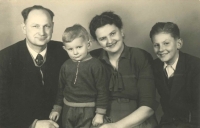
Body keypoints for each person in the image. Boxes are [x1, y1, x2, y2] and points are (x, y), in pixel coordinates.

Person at [0, 5, 69, 128]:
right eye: (35, 26)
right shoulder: (4, 58)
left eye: (46, 26)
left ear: (52, 27)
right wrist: (33, 124)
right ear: (24, 28)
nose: (42, 32)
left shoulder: (66, 51)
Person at [89, 11, 157, 128]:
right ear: (97, 42)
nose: (110, 41)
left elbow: (149, 106)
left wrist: (116, 126)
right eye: (103, 38)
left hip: (139, 122)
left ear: (121, 32)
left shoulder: (140, 56)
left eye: (113, 33)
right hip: (102, 123)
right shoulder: (92, 60)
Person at [49, 24, 109, 128]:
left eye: (79, 47)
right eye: (70, 49)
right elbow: (61, 89)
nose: (75, 52)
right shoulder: (65, 65)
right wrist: (57, 109)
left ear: (88, 45)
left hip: (88, 110)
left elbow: (102, 91)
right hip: (68, 108)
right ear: (65, 49)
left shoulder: (96, 65)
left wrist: (100, 114)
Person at [150, 22, 200, 128]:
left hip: (193, 123)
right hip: (167, 123)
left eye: (166, 43)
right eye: (156, 45)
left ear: (179, 43)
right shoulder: (154, 66)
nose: (161, 49)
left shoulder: (195, 66)